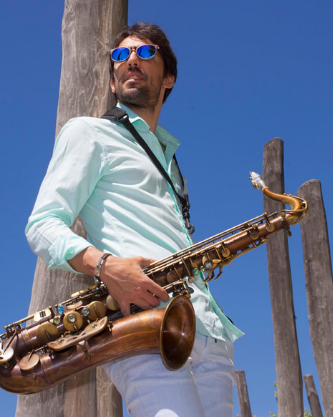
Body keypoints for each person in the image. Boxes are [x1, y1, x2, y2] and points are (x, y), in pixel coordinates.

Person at [26, 22, 243, 417]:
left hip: (208, 331)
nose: (130, 60)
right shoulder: (89, 133)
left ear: (168, 78)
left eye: (144, 53)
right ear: (112, 82)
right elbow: (42, 224)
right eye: (120, 55)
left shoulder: (172, 165)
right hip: (144, 322)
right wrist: (105, 266)